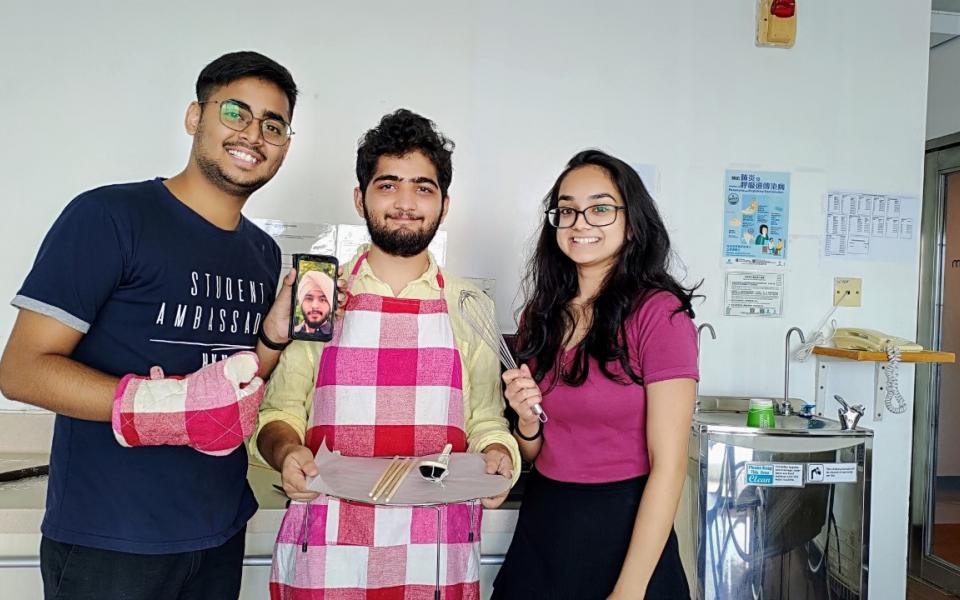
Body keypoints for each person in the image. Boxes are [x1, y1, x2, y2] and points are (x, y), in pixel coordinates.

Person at [0, 51, 301, 599]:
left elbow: (234, 382)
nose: (253, 134)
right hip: (112, 540)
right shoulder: (110, 216)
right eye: (236, 112)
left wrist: (273, 337)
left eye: (273, 124)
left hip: (219, 530)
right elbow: (21, 370)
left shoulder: (262, 252)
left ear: (284, 145)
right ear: (195, 116)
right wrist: (169, 408)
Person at [252, 108, 520, 600]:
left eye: (423, 187)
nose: (405, 202)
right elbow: (279, 412)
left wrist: (499, 456)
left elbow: (485, 422)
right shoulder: (321, 297)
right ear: (361, 197)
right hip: (329, 547)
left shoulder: (467, 305)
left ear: (444, 204)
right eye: (388, 184)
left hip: (435, 551)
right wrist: (287, 452)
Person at [491, 150, 699, 600]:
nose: (580, 222)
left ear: (632, 221)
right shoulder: (540, 315)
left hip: (625, 527)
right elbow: (536, 452)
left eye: (601, 208)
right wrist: (526, 420)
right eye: (567, 210)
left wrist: (629, 590)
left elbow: (670, 466)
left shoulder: (659, 314)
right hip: (545, 523)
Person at [293, 269, 334, 338]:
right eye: (309, 298)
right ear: (301, 302)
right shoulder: (292, 333)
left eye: (323, 300)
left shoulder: (338, 336)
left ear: (331, 304)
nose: (314, 306)